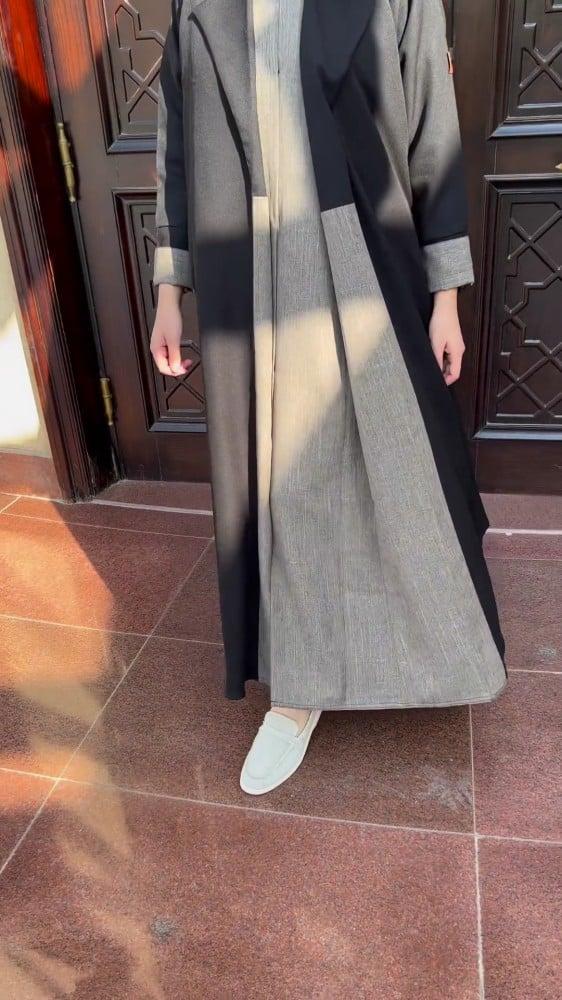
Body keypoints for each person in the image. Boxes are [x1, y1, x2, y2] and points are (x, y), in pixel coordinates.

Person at [150, 0, 507, 796]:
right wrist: (171, 287)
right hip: (247, 269)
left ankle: (434, 645)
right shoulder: (197, 5)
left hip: (363, 251)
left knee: (400, 467)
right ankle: (299, 687)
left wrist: (446, 294)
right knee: (285, 484)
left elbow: (433, 128)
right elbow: (178, 142)